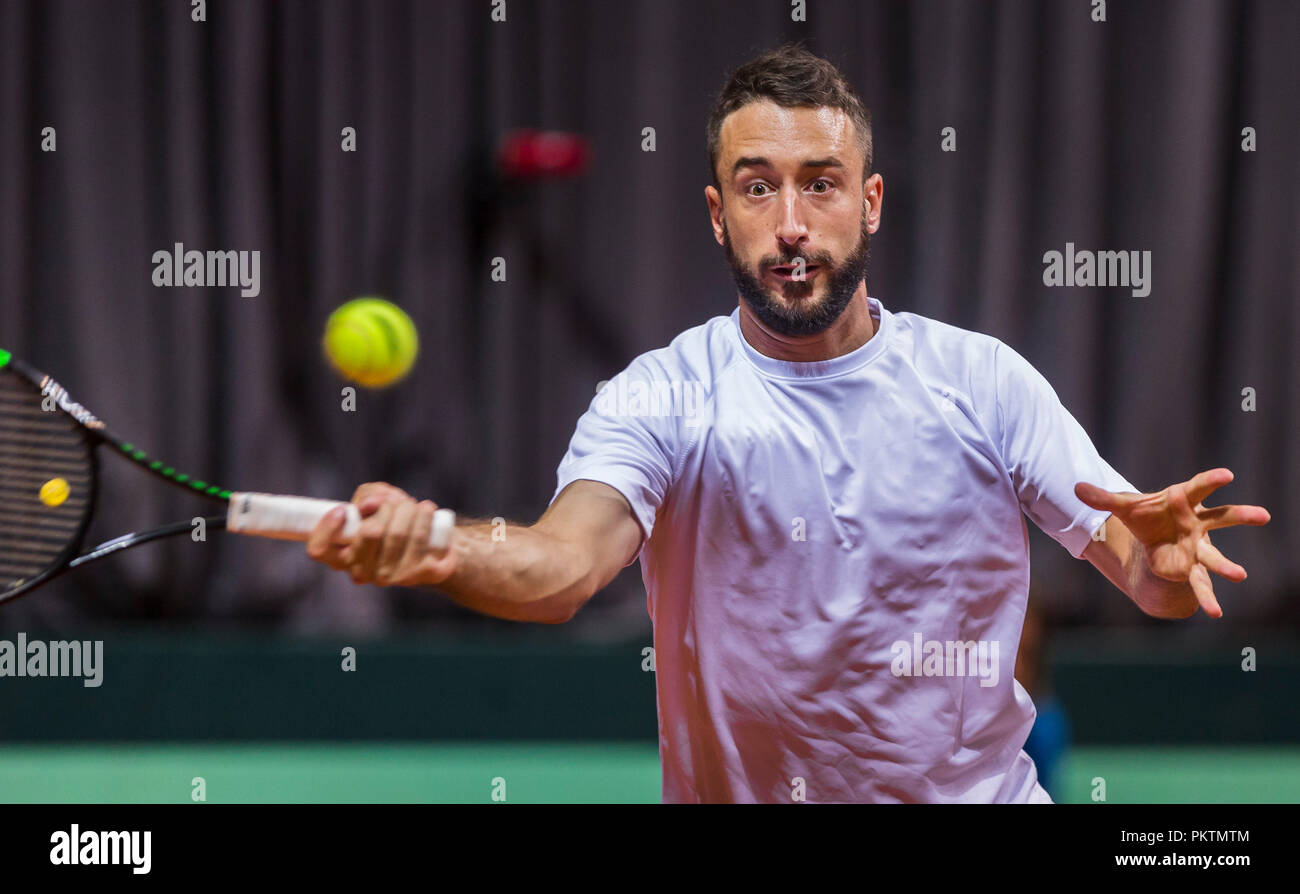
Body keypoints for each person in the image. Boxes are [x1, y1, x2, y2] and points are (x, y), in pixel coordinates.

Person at [304, 43, 1270, 803]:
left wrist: (1167, 568)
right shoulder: (661, 395)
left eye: (822, 182)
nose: (793, 221)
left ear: (871, 202)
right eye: (760, 186)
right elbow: (560, 570)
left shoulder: (984, 383)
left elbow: (1148, 580)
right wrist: (433, 542)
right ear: (719, 216)